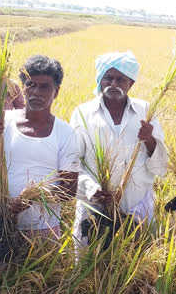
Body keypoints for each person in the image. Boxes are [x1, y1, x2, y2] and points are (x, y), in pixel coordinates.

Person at [0, 55, 80, 294]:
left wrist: (32, 197)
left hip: (42, 228)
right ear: (22, 87)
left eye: (44, 86)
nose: (36, 92)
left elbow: (68, 190)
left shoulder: (66, 134)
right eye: (30, 84)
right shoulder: (3, 122)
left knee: (37, 289)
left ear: (57, 91)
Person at [71, 51, 167, 247]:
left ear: (130, 84)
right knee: (90, 265)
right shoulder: (83, 113)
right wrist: (91, 189)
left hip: (137, 205)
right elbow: (72, 161)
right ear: (100, 80)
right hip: (94, 207)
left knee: (135, 264)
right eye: (108, 78)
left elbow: (161, 166)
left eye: (120, 79)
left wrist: (149, 139)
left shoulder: (145, 111)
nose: (113, 84)